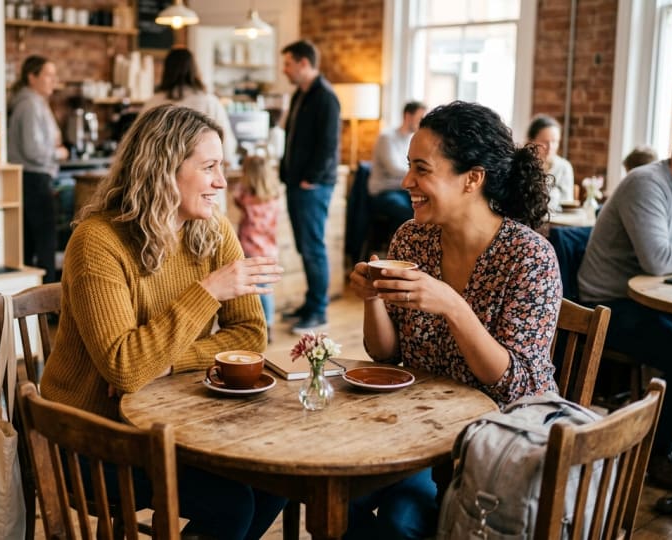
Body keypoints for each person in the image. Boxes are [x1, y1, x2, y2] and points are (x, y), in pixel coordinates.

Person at [39, 104, 287, 539]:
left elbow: (250, 336)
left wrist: (171, 362)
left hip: (177, 422)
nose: (221, 183)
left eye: (221, 168)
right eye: (209, 167)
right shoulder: (97, 241)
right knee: (232, 503)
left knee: (281, 476)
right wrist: (208, 291)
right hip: (93, 436)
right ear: (163, 167)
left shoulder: (213, 230)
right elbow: (125, 367)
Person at [347, 101, 561, 538]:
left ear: (473, 179)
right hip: (419, 431)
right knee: (329, 493)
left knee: (399, 520)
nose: (407, 182)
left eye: (422, 169)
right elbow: (386, 352)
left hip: (496, 447)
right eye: (409, 167)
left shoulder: (529, 257)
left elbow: (515, 385)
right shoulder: (412, 237)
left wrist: (452, 304)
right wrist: (372, 297)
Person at [578, 118, 672, 493]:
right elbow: (657, 258)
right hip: (607, 303)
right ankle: (655, 455)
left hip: (649, 300)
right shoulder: (647, 183)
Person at [279, 39, 341, 334]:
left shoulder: (325, 97)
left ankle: (318, 311)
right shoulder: (299, 96)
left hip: (312, 186)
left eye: (288, 64)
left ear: (304, 63)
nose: (284, 70)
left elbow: (329, 144)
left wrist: (311, 178)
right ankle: (310, 302)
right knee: (306, 247)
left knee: (313, 248)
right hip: (296, 183)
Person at [7, 55, 68, 282]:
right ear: (32, 78)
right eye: (48, 75)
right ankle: (49, 306)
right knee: (44, 244)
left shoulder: (33, 102)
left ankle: (37, 307)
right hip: (33, 179)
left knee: (33, 243)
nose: (54, 80)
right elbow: (33, 149)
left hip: (31, 178)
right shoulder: (30, 104)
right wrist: (59, 153)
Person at [142, 47, 239, 170]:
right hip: (204, 177)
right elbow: (226, 147)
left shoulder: (153, 102)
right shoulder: (209, 102)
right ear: (194, 70)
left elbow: (141, 145)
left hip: (163, 176)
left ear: (166, 71)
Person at [233, 154, 281, 343]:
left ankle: (253, 323)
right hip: (269, 250)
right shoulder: (274, 198)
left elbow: (235, 195)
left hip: (250, 249)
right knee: (266, 290)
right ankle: (268, 324)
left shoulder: (246, 198)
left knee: (252, 290)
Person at [369, 100, 427, 233]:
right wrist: (421, 173)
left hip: (403, 190)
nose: (422, 122)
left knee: (425, 207)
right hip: (384, 191)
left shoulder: (412, 139)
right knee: (407, 212)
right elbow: (393, 169)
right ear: (408, 116)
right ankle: (400, 248)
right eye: (420, 118)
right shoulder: (387, 137)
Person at [527, 113, 574, 209]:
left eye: (554, 141)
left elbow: (567, 203)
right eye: (544, 141)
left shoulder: (564, 167)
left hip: (556, 221)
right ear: (531, 141)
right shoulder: (522, 166)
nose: (550, 147)